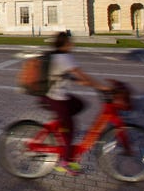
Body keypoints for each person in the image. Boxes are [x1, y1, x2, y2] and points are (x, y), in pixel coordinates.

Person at [44, 31, 107, 175]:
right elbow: (82, 74)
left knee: (79, 104)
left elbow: (61, 75)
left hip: (53, 95)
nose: (72, 44)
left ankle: (61, 123)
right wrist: (103, 87)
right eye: (70, 42)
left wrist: (80, 82)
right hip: (56, 98)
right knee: (70, 128)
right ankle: (65, 162)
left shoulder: (56, 56)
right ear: (65, 44)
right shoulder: (65, 58)